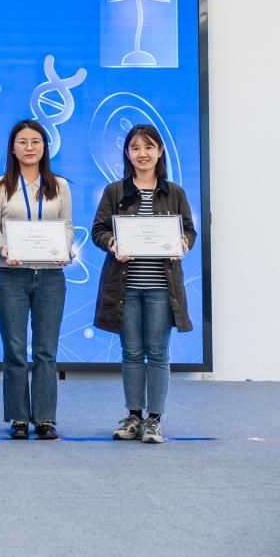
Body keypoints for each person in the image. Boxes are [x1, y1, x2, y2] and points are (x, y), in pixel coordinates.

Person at [91, 124, 196, 445]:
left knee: (159, 353)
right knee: (132, 353)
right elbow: (98, 230)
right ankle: (134, 417)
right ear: (127, 153)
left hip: (162, 288)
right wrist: (113, 243)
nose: (142, 154)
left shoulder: (174, 193)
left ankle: (155, 420)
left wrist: (183, 242)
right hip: (125, 288)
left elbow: (189, 230)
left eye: (149, 147)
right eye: (135, 148)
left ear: (160, 152)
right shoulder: (114, 192)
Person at [0, 119, 73, 441]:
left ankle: (46, 417)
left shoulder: (59, 186)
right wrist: (3, 248)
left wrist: (65, 249)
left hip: (50, 275)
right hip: (11, 275)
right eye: (22, 142)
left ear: (45, 147)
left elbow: (66, 226)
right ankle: (19, 417)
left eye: (36, 141)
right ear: (12, 148)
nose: (29, 147)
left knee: (46, 351)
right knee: (15, 349)